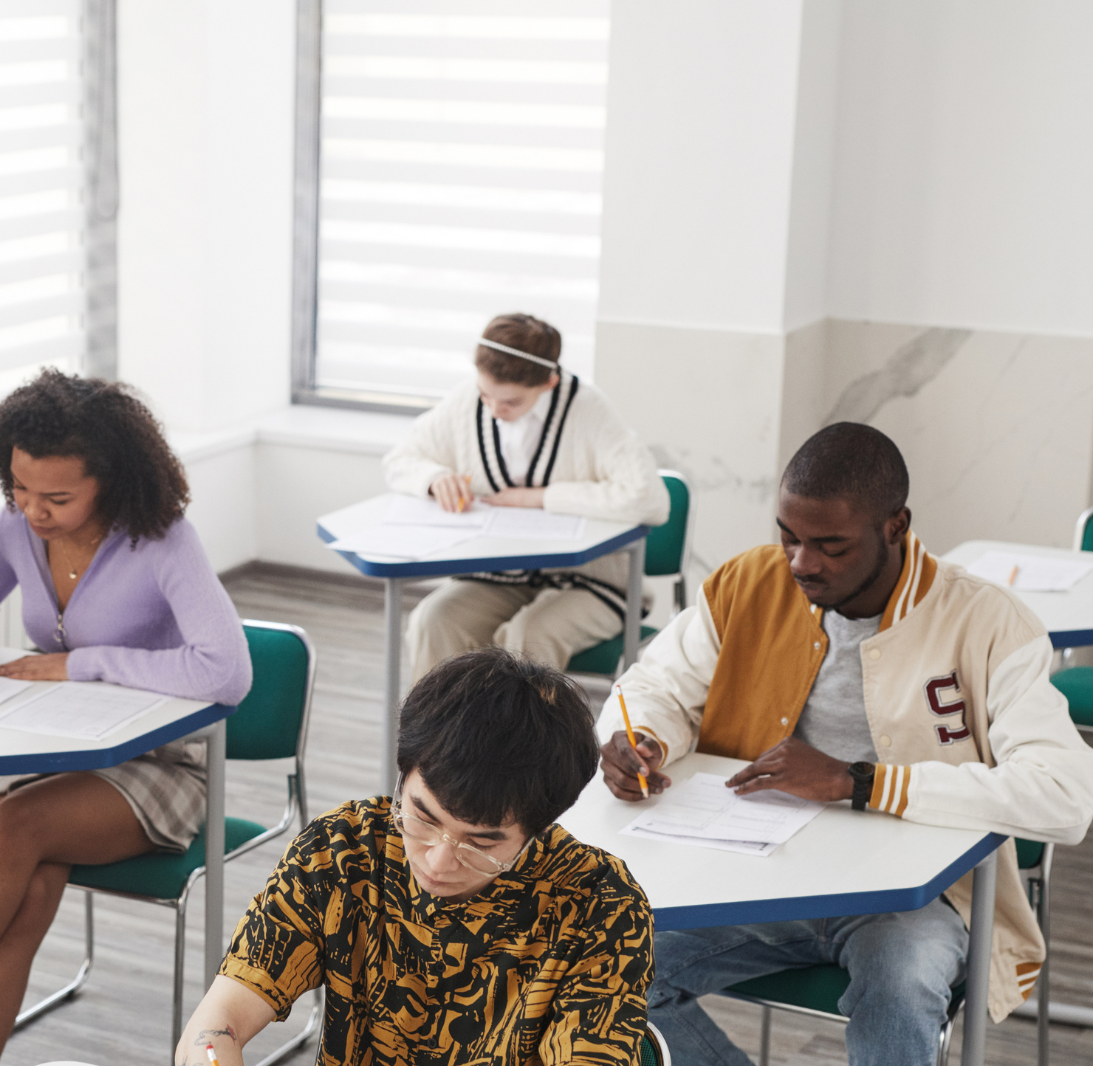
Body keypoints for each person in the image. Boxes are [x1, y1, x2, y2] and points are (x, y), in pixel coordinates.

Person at [599, 422, 1093, 1066]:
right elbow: (655, 685)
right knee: (603, 967)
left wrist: (860, 781)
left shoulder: (987, 621)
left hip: (914, 899)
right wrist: (642, 738)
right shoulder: (748, 584)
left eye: (830, 545)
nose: (802, 562)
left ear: (895, 525)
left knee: (901, 984)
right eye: (789, 538)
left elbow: (1066, 796)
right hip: (761, 875)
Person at [0, 370, 252, 1066]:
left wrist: (81, 663)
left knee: (14, 824)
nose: (32, 510)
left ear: (109, 482)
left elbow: (226, 671)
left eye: (56, 496)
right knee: (30, 884)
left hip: (159, 764)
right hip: (62, 752)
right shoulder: (18, 527)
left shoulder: (163, 539)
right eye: (18, 488)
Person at [176, 648, 652, 1066]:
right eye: (422, 817)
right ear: (404, 775)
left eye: (481, 844)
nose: (439, 861)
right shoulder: (343, 852)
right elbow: (215, 1027)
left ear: (540, 827)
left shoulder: (601, 907)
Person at [383, 313, 668, 681]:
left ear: (549, 382)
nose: (494, 411)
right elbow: (400, 460)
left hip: (593, 584)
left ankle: (517, 741)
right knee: (432, 620)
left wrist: (542, 497)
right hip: (498, 576)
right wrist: (434, 477)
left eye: (511, 402)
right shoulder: (468, 400)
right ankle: (445, 739)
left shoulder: (589, 410)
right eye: (485, 395)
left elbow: (650, 500)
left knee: (526, 641)